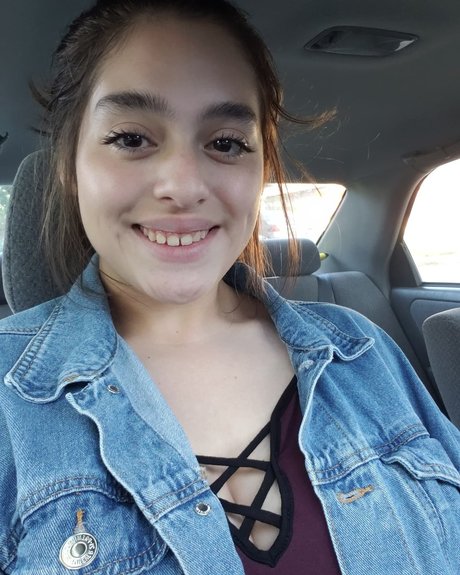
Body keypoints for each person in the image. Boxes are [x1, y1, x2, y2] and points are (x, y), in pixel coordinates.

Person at [0, 1, 459, 573]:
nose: (184, 185)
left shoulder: (361, 351)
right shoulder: (9, 396)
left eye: (225, 143)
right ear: (70, 166)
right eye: (131, 138)